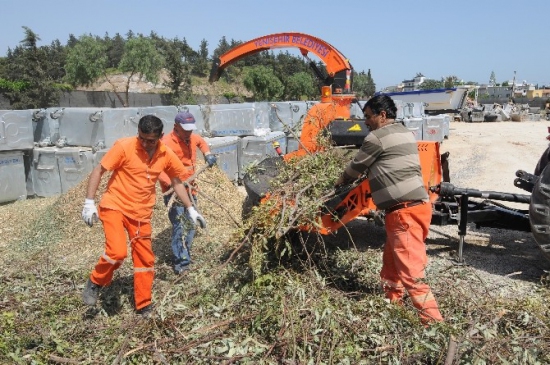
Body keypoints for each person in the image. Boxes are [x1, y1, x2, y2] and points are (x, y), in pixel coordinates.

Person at [81, 115, 206, 316]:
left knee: (145, 260)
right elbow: (99, 170)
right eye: (142, 138)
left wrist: (191, 208)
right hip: (115, 205)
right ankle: (96, 281)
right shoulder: (124, 147)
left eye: (151, 140)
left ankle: (144, 304)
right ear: (137, 133)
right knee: (117, 252)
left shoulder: (165, 154)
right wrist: (89, 202)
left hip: (141, 212)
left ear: (160, 136)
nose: (146, 144)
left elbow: (176, 182)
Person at [334, 95, 444, 324]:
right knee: (392, 265)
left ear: (382, 115)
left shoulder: (377, 137)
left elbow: (356, 167)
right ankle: (393, 303)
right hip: (418, 207)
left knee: (412, 273)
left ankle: (434, 324)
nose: (366, 122)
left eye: (368, 117)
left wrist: (338, 182)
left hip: (404, 212)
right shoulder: (404, 132)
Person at [157, 111, 217, 274]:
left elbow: (201, 142)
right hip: (174, 192)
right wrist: (171, 184)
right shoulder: (166, 143)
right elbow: (158, 169)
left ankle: (186, 255)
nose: (189, 132)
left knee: (190, 224)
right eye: (185, 129)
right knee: (180, 226)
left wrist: (208, 154)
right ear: (176, 126)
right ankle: (180, 264)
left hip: (191, 189)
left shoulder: (191, 137)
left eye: (191, 129)